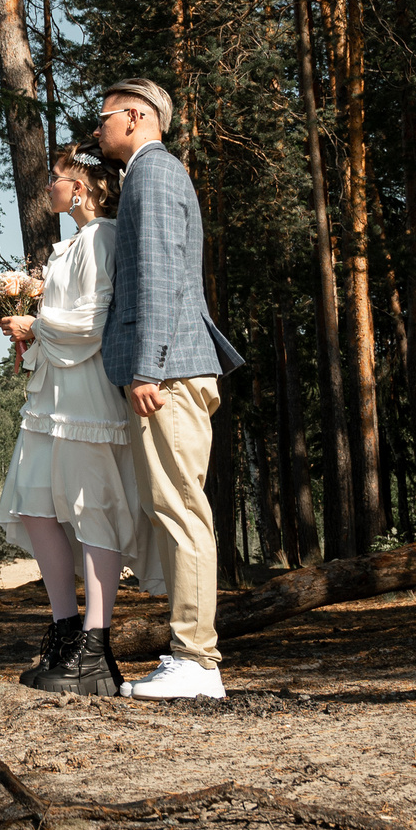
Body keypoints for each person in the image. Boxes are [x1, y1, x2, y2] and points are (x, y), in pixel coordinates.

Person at [94, 79, 246, 701]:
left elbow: (157, 281)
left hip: (171, 372)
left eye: (104, 117)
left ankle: (196, 661)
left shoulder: (152, 176)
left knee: (182, 509)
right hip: (174, 368)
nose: (97, 128)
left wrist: (148, 369)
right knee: (175, 507)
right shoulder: (150, 175)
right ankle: (191, 658)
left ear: (135, 117)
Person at [0, 146, 138, 696]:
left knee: (90, 508)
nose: (49, 188)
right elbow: (64, 320)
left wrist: (37, 321)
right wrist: (29, 334)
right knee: (34, 505)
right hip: (50, 393)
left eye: (56, 180)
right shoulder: (69, 245)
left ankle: (97, 652)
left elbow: (95, 319)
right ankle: (64, 630)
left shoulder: (101, 237)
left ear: (80, 188)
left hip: (86, 395)